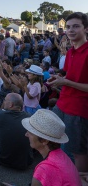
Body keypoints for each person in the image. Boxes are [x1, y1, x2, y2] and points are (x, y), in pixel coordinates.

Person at [47, 12, 88, 185]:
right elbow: (70, 77)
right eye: (68, 27)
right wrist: (58, 79)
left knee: (78, 151)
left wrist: (66, 82)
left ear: (86, 29)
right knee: (53, 141)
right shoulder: (71, 52)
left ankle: (80, 180)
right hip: (62, 104)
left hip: (78, 109)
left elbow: (73, 82)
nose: (70, 30)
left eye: (76, 26)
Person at [21, 109, 81, 185]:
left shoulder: (44, 169)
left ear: (44, 141)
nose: (26, 134)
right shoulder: (62, 156)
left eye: (30, 132)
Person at [0, 93, 33, 170]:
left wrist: (1, 110)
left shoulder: (1, 115)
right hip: (26, 161)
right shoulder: (29, 117)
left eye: (5, 100)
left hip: (5, 160)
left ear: (11, 105)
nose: (3, 101)